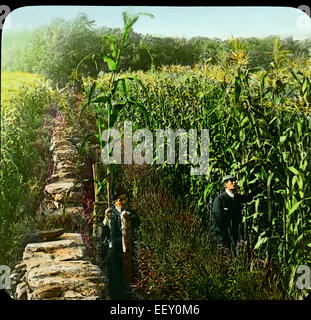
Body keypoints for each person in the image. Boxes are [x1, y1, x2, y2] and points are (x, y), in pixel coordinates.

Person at [101, 186, 138, 299]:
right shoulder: (110, 213)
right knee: (115, 274)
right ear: (114, 202)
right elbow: (104, 233)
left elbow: (137, 223)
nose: (123, 202)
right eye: (120, 200)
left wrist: (130, 218)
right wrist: (105, 220)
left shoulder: (129, 212)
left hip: (127, 248)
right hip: (114, 248)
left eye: (125, 199)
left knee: (128, 272)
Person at [212, 175, 264, 251]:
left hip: (234, 236)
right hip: (222, 238)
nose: (234, 182)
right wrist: (222, 239)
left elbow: (247, 197)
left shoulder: (236, 198)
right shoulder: (219, 200)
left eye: (235, 181)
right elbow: (218, 221)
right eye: (231, 181)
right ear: (225, 184)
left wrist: (259, 188)